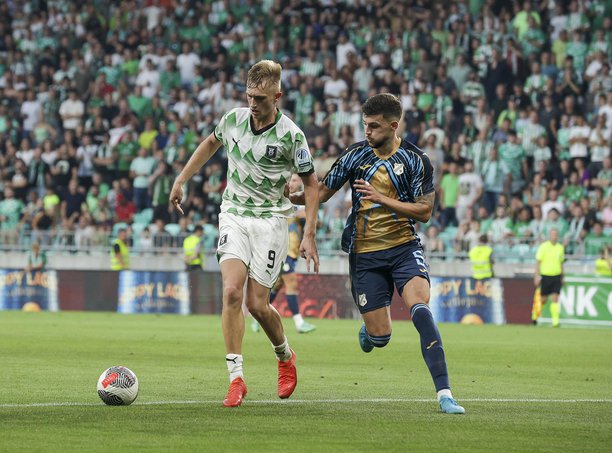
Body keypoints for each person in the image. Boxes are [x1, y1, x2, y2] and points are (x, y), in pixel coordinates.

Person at [290, 93, 464, 414]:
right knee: (380, 337)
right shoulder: (355, 155)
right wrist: (297, 196)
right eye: (364, 125)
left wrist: (382, 199)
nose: (366, 132)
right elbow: (323, 192)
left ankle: (444, 394)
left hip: (403, 248)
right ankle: (371, 333)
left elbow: (424, 211)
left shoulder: (417, 160)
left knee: (421, 309)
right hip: (365, 255)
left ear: (393, 125)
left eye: (373, 126)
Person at [169, 60, 320, 408]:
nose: (253, 103)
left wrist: (309, 232)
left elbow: (312, 185)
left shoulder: (292, 135)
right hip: (233, 214)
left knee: (257, 304)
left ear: (277, 96)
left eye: (261, 98)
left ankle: (284, 356)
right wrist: (181, 179)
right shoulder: (233, 120)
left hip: (270, 222)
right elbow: (210, 144)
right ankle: (236, 378)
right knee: (232, 292)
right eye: (249, 95)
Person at [252, 174, 317, 334]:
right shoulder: (279, 199)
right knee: (291, 282)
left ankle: (258, 316)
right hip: (281, 248)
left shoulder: (302, 202)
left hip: (293, 251)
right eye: (291, 180)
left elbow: (314, 219)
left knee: (277, 285)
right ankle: (299, 322)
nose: (293, 183)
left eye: (296, 180)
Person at [533, 228, 565, 327]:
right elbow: (538, 262)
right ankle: (535, 315)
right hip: (546, 276)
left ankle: (555, 322)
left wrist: (563, 276)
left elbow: (561, 263)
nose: (554, 236)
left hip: (556, 276)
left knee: (555, 298)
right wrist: (536, 276)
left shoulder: (560, 248)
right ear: (549, 236)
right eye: (552, 234)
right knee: (543, 299)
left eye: (556, 234)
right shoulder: (543, 247)